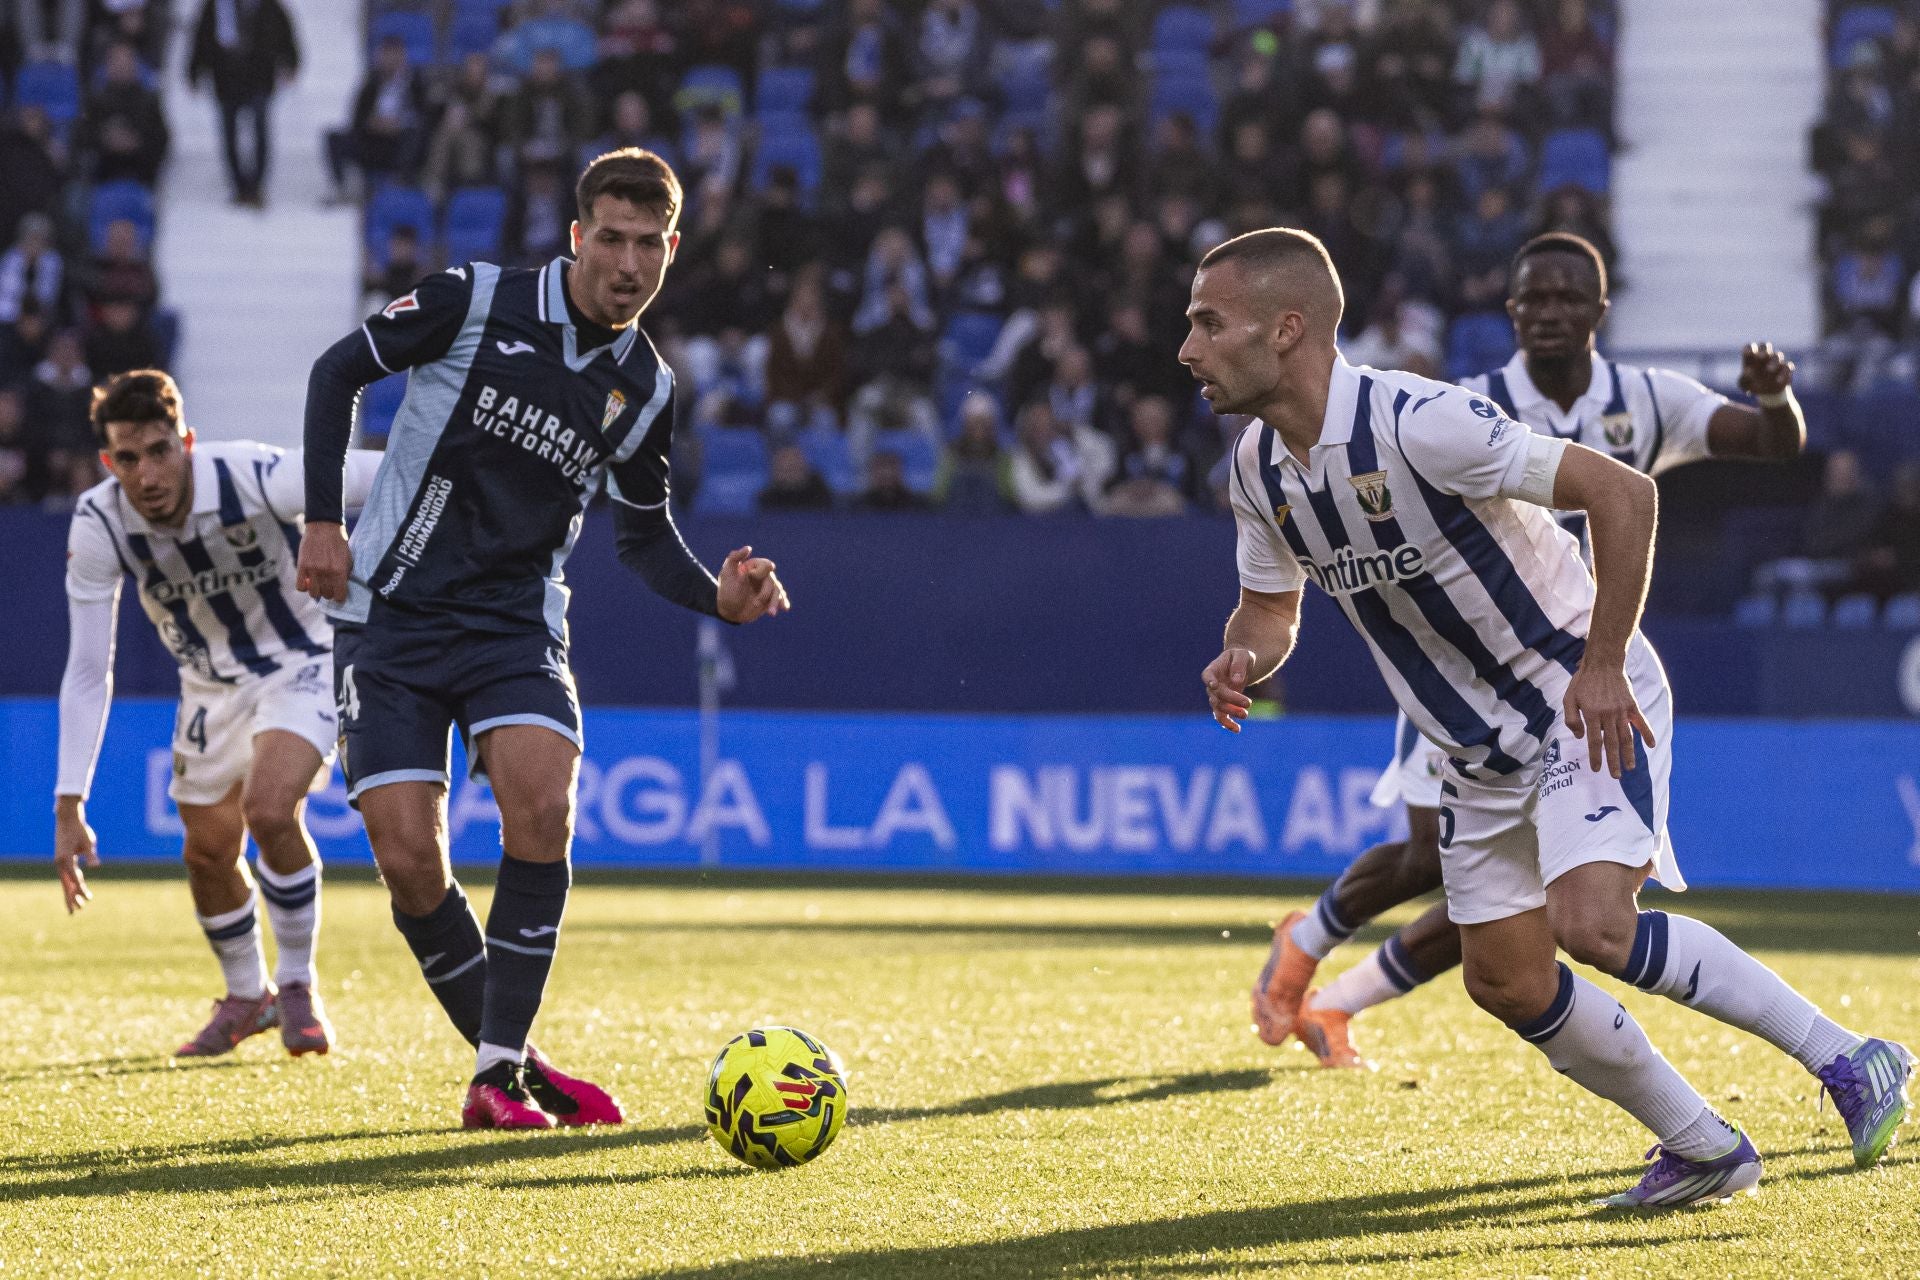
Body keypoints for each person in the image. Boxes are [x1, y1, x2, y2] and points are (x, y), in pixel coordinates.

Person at [1186, 227, 1908, 1208]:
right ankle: (1703, 1145)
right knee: (1509, 980)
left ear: (1287, 327)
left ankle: (1853, 1057)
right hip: (1469, 749)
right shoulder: (1258, 473)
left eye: (1207, 322)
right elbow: (1270, 608)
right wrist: (1246, 654)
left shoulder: (1417, 420)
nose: (1188, 348)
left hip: (1575, 691)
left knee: (1594, 926)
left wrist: (1604, 661)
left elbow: (1623, 490)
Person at [297, 149, 791, 1131]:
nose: (628, 262)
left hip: (514, 619)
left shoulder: (646, 387)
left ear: (672, 249)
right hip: (393, 610)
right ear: (577, 237)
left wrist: (719, 599)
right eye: (610, 238)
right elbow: (338, 370)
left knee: (544, 801)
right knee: (406, 854)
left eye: (649, 244)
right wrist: (322, 520)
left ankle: (493, 1073)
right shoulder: (473, 299)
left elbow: (643, 537)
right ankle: (517, 1063)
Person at [1256, 233, 1816, 1072]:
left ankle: (1335, 998)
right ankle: (1308, 949)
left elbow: (1773, 445)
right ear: (1511, 310)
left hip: (1578, 666)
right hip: (1462, 669)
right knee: (1436, 866)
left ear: (1600, 311)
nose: (1549, 314)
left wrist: (1776, 402)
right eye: (1533, 300)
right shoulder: (1462, 402)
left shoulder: (1646, 399)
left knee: (1539, 906)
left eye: (1567, 300)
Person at [54, 370, 380, 1057]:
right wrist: (69, 800)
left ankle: (297, 986)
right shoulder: (98, 521)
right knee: (206, 852)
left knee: (268, 809)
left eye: (160, 451)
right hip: (207, 687)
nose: (147, 474)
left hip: (303, 662)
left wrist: (474, 460)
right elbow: (88, 668)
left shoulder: (246, 474)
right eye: (128, 458)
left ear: (187, 443)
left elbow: (357, 473)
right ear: (109, 463)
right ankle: (246, 995)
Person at [188, 0, 299, 207]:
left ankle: (256, 185)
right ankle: (238, 186)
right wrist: (194, 71)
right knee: (229, 134)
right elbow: (201, 39)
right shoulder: (216, 6)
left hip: (259, 78)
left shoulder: (270, 6)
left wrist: (291, 62)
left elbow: (285, 34)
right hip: (226, 78)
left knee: (260, 130)